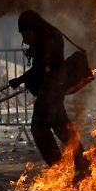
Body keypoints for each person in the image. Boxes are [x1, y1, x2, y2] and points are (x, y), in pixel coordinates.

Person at [9, 10, 82, 167]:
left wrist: (20, 80)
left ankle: (58, 166)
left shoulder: (48, 40)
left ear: (32, 28)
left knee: (39, 127)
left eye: (25, 34)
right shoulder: (48, 36)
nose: (25, 39)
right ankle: (82, 163)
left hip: (51, 91)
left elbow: (41, 68)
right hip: (53, 91)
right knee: (63, 129)